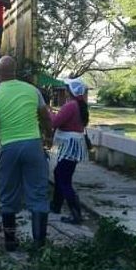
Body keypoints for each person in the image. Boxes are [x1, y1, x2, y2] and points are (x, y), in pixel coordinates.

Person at [0, 56, 52, 250]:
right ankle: (39, 244)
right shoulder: (33, 91)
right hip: (33, 146)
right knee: (38, 194)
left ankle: (10, 242)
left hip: (8, 148)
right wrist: (49, 137)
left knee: (7, 195)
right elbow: (46, 117)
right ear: (16, 71)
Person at [50, 78, 89, 224]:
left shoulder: (70, 106)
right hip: (73, 145)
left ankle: (76, 213)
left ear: (70, 91)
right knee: (60, 173)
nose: (65, 91)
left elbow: (55, 122)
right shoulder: (80, 105)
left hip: (69, 146)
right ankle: (56, 205)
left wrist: (48, 113)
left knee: (63, 178)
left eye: (66, 89)